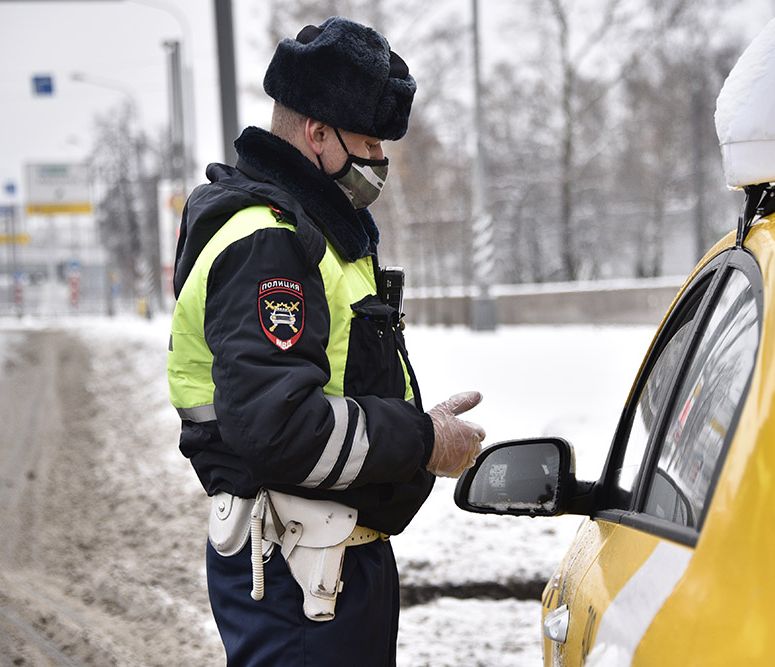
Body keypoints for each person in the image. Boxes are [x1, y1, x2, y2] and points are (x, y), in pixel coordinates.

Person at [166, 16, 486, 666]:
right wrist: (423, 439)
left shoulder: (314, 231)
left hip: (325, 562)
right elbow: (283, 428)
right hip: (296, 573)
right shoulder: (269, 242)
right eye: (368, 140)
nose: (379, 160)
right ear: (317, 133)